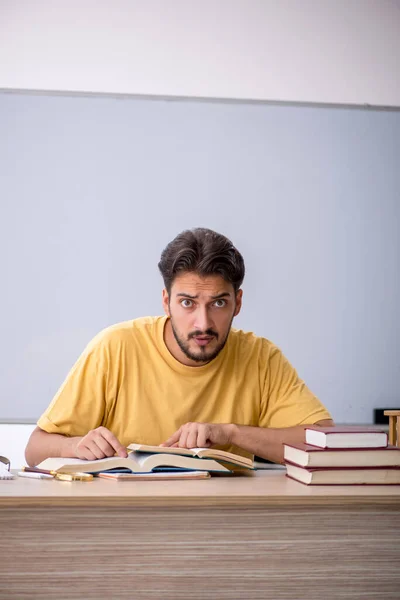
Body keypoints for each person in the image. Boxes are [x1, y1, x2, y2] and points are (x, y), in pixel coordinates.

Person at [25, 228, 333, 467]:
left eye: (219, 303)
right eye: (187, 303)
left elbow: (325, 444)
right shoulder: (114, 347)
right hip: (124, 521)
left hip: (224, 525)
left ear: (237, 303)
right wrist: (74, 446)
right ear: (166, 302)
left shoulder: (262, 358)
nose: (203, 323)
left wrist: (230, 433)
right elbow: (35, 449)